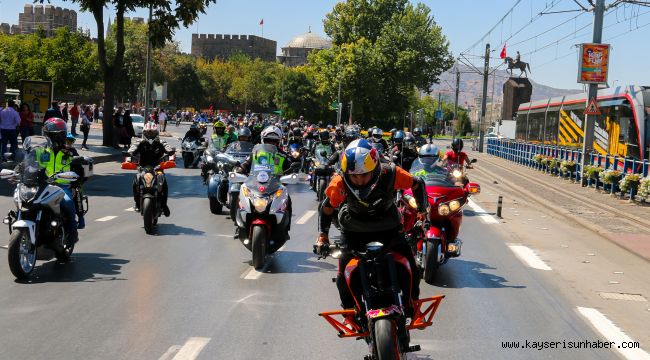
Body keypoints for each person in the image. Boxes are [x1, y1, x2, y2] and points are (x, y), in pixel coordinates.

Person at [314, 138, 428, 314]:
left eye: (364, 174)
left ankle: (413, 304)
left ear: (375, 169)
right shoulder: (338, 182)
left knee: (412, 268)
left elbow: (417, 183)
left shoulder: (391, 172)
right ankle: (349, 312)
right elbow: (327, 207)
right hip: (353, 231)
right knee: (342, 278)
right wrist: (323, 236)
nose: (359, 180)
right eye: (354, 176)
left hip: (389, 228)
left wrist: (422, 211)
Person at [235, 125, 294, 239]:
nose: (271, 143)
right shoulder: (256, 153)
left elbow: (290, 166)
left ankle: (285, 229)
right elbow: (246, 163)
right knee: (239, 194)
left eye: (274, 141)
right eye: (268, 140)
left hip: (275, 186)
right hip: (255, 185)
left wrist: (292, 171)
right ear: (263, 140)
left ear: (279, 142)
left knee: (288, 200)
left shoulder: (282, 155)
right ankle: (239, 227)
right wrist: (240, 169)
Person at [38, 118, 80, 244]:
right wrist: (20, 169)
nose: (51, 138)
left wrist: (74, 185)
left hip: (62, 186)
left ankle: (72, 232)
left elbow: (77, 169)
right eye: (49, 135)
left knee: (67, 203)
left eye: (55, 135)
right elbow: (29, 163)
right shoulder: (41, 150)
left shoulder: (70, 152)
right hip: (42, 185)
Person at [127, 123, 175, 215]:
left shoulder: (161, 142)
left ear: (156, 133)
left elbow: (168, 148)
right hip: (142, 168)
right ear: (144, 133)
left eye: (152, 133)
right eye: (148, 133)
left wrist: (170, 151)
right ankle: (137, 203)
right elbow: (131, 150)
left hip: (158, 168)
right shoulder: (139, 142)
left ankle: (164, 205)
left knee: (163, 182)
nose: (150, 135)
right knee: (136, 180)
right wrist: (130, 153)